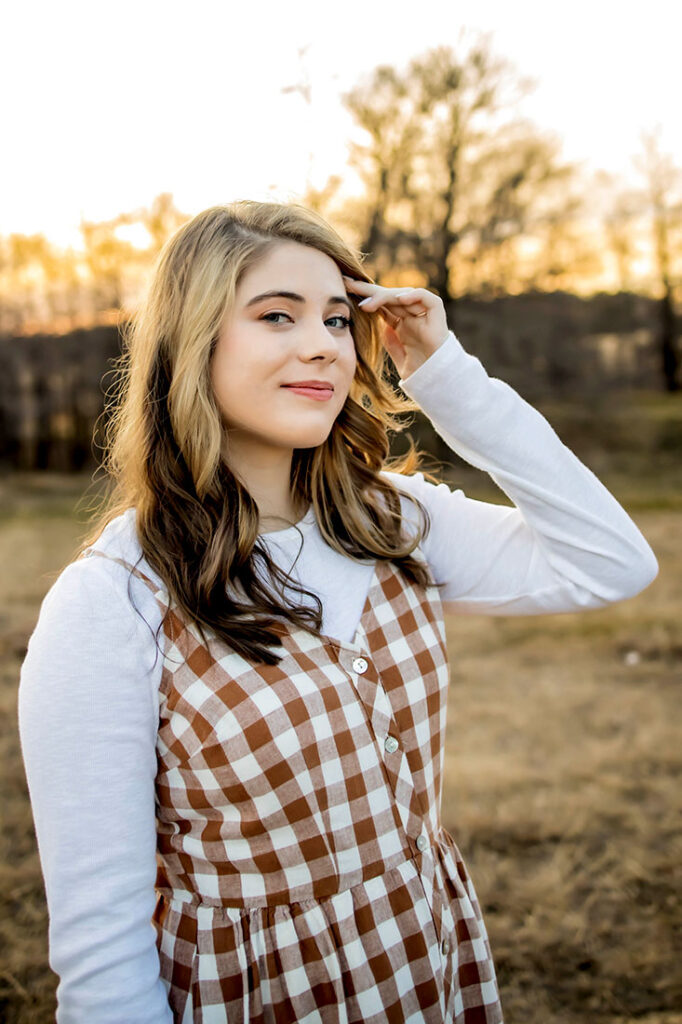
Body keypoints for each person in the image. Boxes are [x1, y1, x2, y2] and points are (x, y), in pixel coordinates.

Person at [18, 200, 658, 1024]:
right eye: (276, 316)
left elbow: (611, 562)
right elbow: (101, 951)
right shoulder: (114, 601)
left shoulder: (385, 519)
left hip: (423, 964)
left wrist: (446, 373)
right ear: (193, 340)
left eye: (335, 317)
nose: (322, 342)